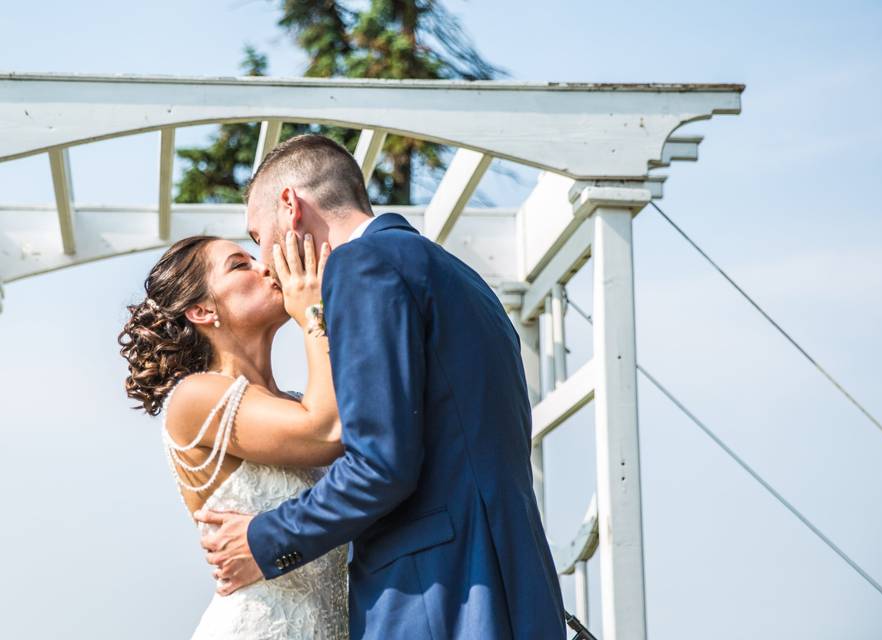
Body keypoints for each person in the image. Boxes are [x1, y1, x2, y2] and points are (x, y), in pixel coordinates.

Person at [194, 133, 566, 639]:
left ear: (290, 206)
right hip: (512, 585)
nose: (263, 261)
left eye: (258, 236)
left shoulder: (361, 265)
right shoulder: (461, 277)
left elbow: (381, 464)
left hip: (436, 596)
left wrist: (265, 538)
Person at [119, 230, 349, 639]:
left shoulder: (296, 402)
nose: (265, 267)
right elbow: (328, 429)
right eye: (240, 265)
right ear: (202, 310)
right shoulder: (196, 397)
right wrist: (314, 309)